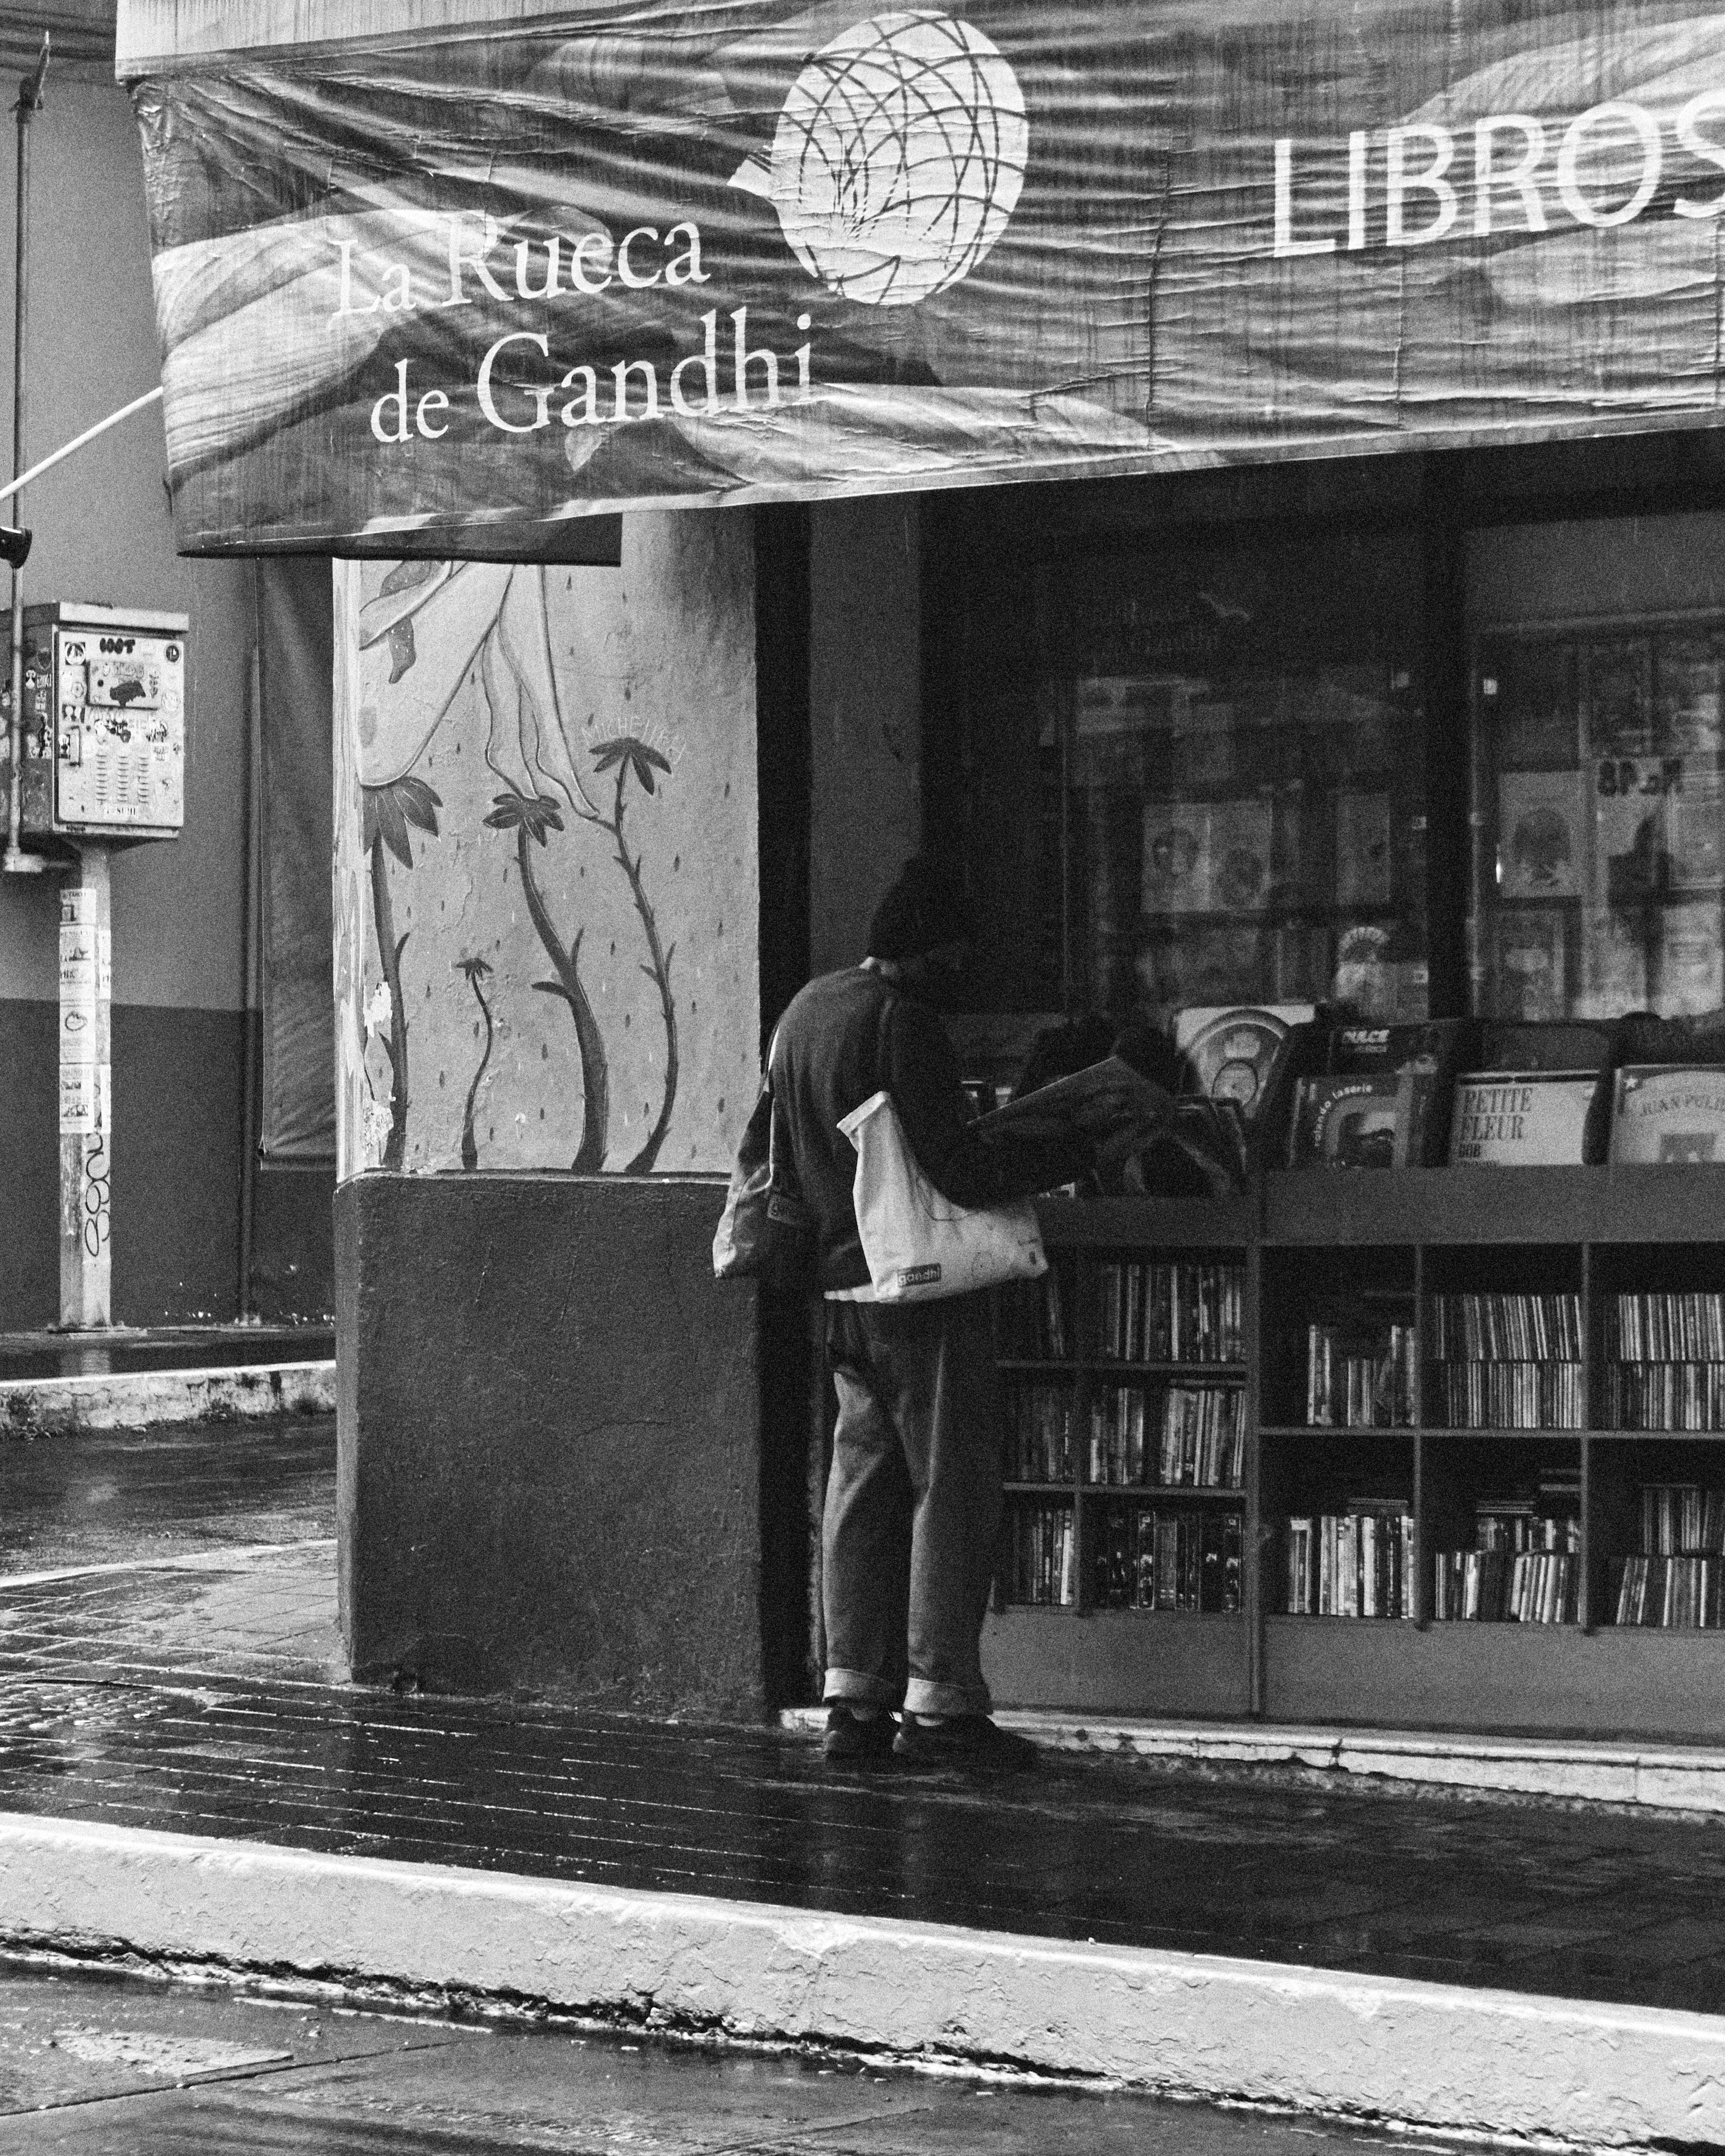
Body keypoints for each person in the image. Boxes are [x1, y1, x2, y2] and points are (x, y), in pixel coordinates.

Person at [768, 857, 1146, 1771]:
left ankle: (853, 1700)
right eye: (956, 955)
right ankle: (942, 1705)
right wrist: (1069, 1146)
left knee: (859, 1490)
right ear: (929, 952)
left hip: (840, 1285)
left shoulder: (806, 1012)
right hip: (921, 1291)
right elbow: (957, 1171)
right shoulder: (906, 1026)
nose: (962, 973)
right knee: (952, 1487)